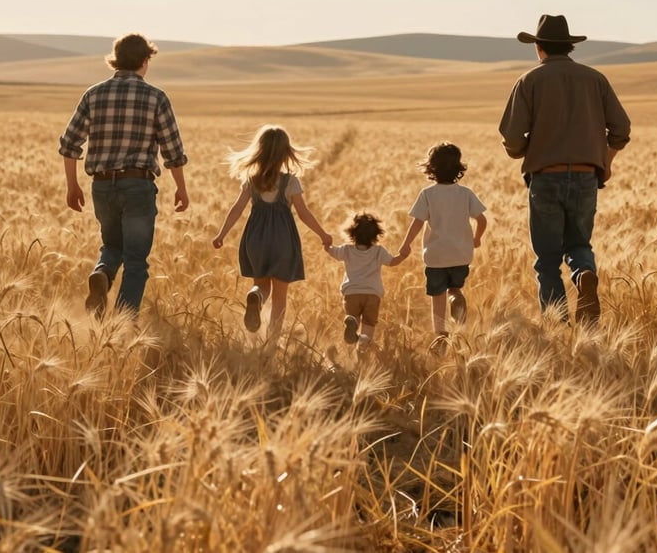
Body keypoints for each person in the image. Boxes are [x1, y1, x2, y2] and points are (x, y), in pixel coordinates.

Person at [498, 14, 631, 325]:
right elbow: (621, 129)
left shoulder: (529, 81)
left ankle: (558, 325)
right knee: (579, 244)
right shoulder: (596, 79)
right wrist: (605, 162)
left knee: (546, 260)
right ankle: (584, 273)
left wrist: (524, 150)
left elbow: (512, 138)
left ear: (538, 47)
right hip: (587, 175)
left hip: (545, 176)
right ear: (570, 47)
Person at [59, 33, 189, 317]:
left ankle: (103, 274)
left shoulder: (93, 94)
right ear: (145, 61)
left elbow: (69, 144)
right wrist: (181, 188)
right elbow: (173, 151)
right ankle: (123, 325)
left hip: (102, 186)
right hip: (138, 186)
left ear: (115, 60)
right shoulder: (156, 97)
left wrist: (72, 186)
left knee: (112, 245)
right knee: (136, 261)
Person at [212, 125, 332, 336]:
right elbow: (304, 214)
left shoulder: (251, 180)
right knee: (280, 296)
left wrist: (221, 234)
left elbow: (237, 209)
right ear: (286, 153)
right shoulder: (290, 181)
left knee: (262, 284)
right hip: (283, 240)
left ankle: (256, 295)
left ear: (259, 150)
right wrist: (323, 235)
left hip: (255, 239)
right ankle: (272, 341)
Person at [399, 142, 487, 346]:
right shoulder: (465, 193)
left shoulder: (428, 194)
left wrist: (406, 245)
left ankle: (440, 337)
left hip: (436, 256)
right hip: (461, 255)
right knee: (454, 289)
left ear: (431, 169)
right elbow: (482, 220)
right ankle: (456, 298)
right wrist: (477, 238)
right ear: (458, 169)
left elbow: (417, 222)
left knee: (438, 298)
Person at [325, 212, 409, 353]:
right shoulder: (378, 251)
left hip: (352, 293)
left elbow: (332, 251)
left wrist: (327, 245)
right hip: (372, 294)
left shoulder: (346, 249)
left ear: (352, 233)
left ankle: (352, 322)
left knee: (354, 318)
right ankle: (362, 349)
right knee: (369, 324)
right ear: (376, 234)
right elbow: (392, 262)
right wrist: (402, 256)